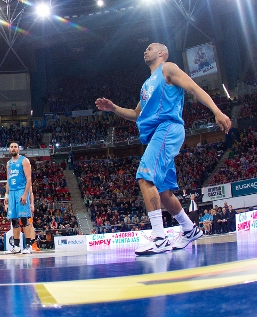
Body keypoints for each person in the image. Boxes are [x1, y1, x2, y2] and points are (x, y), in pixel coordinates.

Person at [95, 43, 231, 255]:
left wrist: (217, 111)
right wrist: (113, 108)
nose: (145, 50)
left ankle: (159, 238)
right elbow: (135, 114)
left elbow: (194, 88)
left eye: (150, 47)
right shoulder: (146, 85)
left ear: (161, 53)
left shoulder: (168, 68)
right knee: (163, 191)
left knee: (144, 177)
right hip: (158, 134)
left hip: (168, 128)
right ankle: (189, 229)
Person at [4, 142, 36, 254]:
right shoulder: (8, 163)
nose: (13, 148)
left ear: (18, 149)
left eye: (15, 147)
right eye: (11, 147)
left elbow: (29, 179)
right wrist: (6, 195)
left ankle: (28, 246)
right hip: (12, 193)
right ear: (9, 149)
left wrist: (25, 194)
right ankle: (16, 246)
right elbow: (8, 181)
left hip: (21, 191)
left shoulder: (24, 160)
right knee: (14, 220)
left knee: (24, 219)